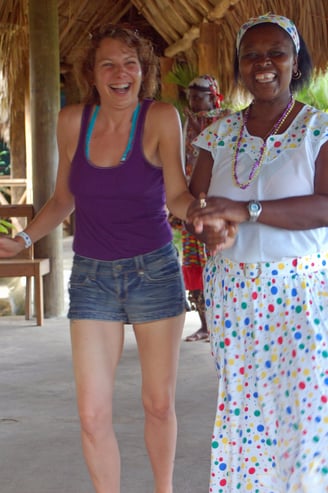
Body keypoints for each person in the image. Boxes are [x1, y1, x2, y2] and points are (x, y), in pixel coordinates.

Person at [0, 25, 227, 493]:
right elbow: (62, 199)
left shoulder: (161, 117)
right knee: (91, 413)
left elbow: (177, 196)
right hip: (91, 278)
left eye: (131, 63)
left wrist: (200, 215)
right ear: (92, 73)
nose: (121, 73)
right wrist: (22, 238)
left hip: (154, 272)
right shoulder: (71, 122)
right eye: (109, 63)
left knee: (158, 402)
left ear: (143, 73)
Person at [186, 13, 328, 493]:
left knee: (304, 412)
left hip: (299, 291)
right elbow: (195, 204)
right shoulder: (218, 135)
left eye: (275, 53)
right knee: (246, 411)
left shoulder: (318, 129)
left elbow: (325, 206)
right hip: (234, 290)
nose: (262, 63)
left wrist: (247, 210)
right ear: (239, 67)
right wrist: (207, 228)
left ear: (296, 63)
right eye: (251, 55)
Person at [181, 75, 226, 342]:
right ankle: (205, 325)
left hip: (219, 204)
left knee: (219, 262)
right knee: (194, 263)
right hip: (190, 204)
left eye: (198, 96)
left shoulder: (227, 121)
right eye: (191, 96)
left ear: (213, 97)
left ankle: (222, 324)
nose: (193, 101)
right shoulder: (187, 122)